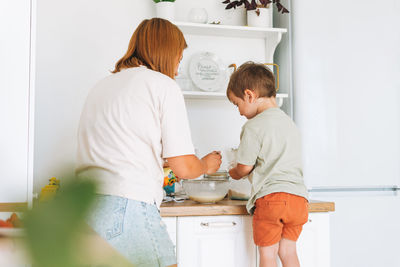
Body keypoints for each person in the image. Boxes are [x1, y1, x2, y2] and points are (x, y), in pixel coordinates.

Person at [75, 18, 221, 267]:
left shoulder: (102, 86)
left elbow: (120, 144)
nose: (177, 69)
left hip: (86, 206)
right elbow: (184, 167)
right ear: (165, 52)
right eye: (178, 59)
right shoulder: (163, 85)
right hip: (126, 205)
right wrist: (206, 165)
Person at [227, 62, 309, 267]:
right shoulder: (290, 123)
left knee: (268, 255)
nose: (239, 112)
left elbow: (244, 167)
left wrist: (234, 173)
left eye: (237, 104)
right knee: (288, 252)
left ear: (249, 95)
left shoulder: (253, 126)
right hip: (299, 200)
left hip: (272, 199)